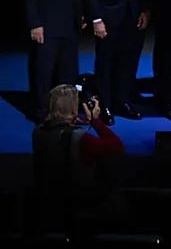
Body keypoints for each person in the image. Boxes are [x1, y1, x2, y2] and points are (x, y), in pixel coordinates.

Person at [30, 84, 124, 233]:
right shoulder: (81, 138)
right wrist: (95, 120)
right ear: (75, 110)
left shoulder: (37, 132)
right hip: (81, 207)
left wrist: (68, 118)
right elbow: (117, 147)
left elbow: (53, 125)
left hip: (48, 205)